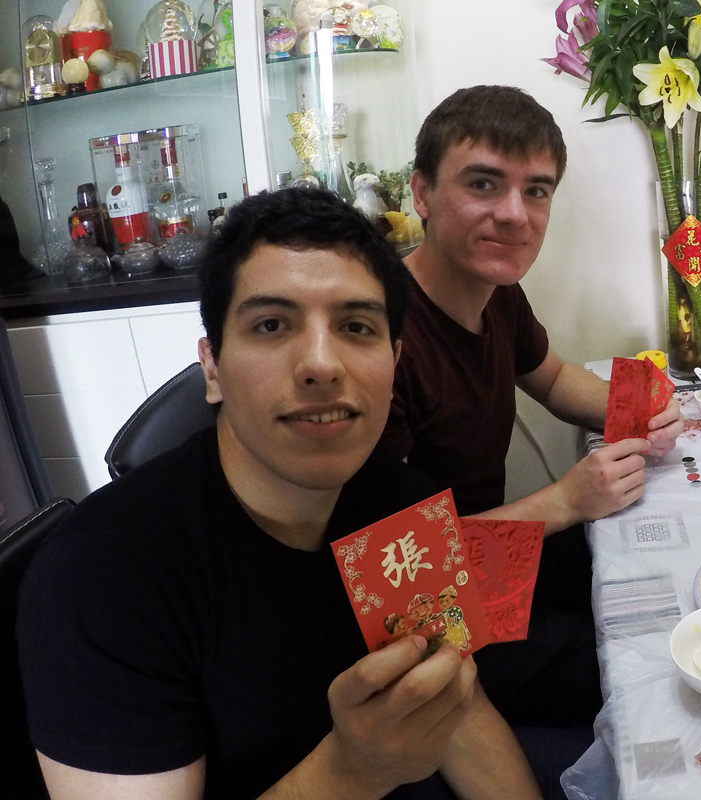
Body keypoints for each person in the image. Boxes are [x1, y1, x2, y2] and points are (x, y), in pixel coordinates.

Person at [17, 188, 542, 800]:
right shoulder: (102, 578)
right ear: (212, 368)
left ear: (394, 363)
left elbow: (460, 712)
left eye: (355, 326)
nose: (321, 364)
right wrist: (355, 769)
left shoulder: (402, 509)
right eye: (271, 324)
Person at [376, 86, 682, 732]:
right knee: (651, 663)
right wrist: (567, 501)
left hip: (491, 553)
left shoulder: (497, 292)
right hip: (429, 617)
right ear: (422, 193)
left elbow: (553, 378)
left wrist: (641, 405)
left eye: (537, 191)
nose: (515, 214)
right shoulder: (379, 339)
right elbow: (398, 578)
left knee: (669, 581)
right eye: (484, 184)